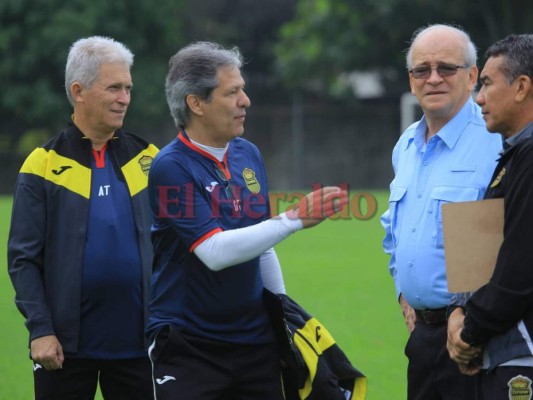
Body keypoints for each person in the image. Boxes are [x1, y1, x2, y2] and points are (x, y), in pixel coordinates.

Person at [147, 41, 347, 400]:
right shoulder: (170, 166)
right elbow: (213, 251)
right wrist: (294, 219)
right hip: (189, 347)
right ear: (196, 103)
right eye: (233, 92)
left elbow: (261, 246)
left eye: (243, 89)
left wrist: (285, 317)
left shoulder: (247, 153)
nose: (246, 101)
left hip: (255, 343)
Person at [7, 36, 158, 399]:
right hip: (62, 350)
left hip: (142, 347)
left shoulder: (150, 158)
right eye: (114, 88)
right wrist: (40, 330)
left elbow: (178, 245)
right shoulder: (42, 164)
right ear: (79, 90)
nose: (125, 98)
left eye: (128, 88)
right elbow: (23, 258)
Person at [380, 24, 502, 399]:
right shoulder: (406, 145)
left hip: (479, 339)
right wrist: (403, 291)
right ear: (411, 80)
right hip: (423, 339)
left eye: (446, 68)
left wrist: (469, 317)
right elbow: (394, 228)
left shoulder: (497, 140)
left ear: (471, 76)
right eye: (422, 70)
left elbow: (511, 239)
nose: (433, 78)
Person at [447, 34, 533, 399]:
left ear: (522, 87)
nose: (478, 98)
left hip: (522, 355)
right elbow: (484, 250)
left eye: (485, 84)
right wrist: (458, 309)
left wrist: (470, 331)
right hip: (503, 350)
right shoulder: (514, 156)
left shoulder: (529, 156)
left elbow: (519, 266)